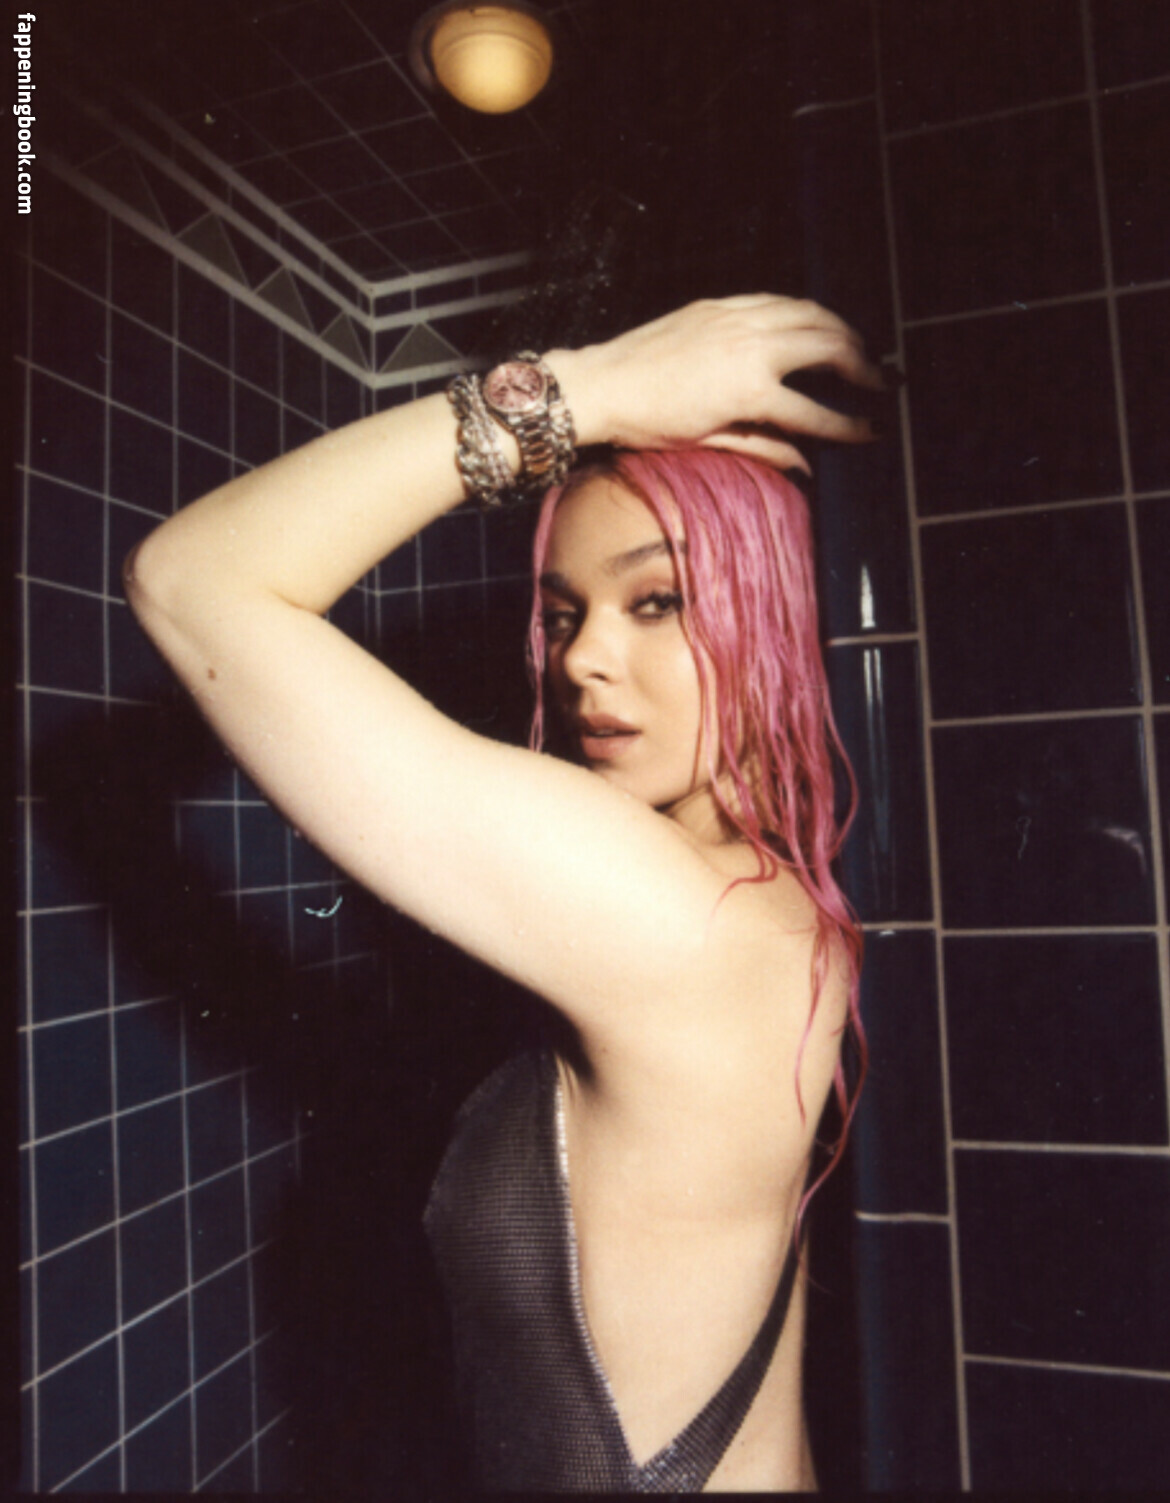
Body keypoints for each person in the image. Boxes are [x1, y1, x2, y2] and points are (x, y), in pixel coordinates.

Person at [125, 294, 884, 1492]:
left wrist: (592, 388)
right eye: (565, 614)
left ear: (773, 609)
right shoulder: (767, 905)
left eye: (657, 601)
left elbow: (191, 578)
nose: (582, 659)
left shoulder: (675, 918)